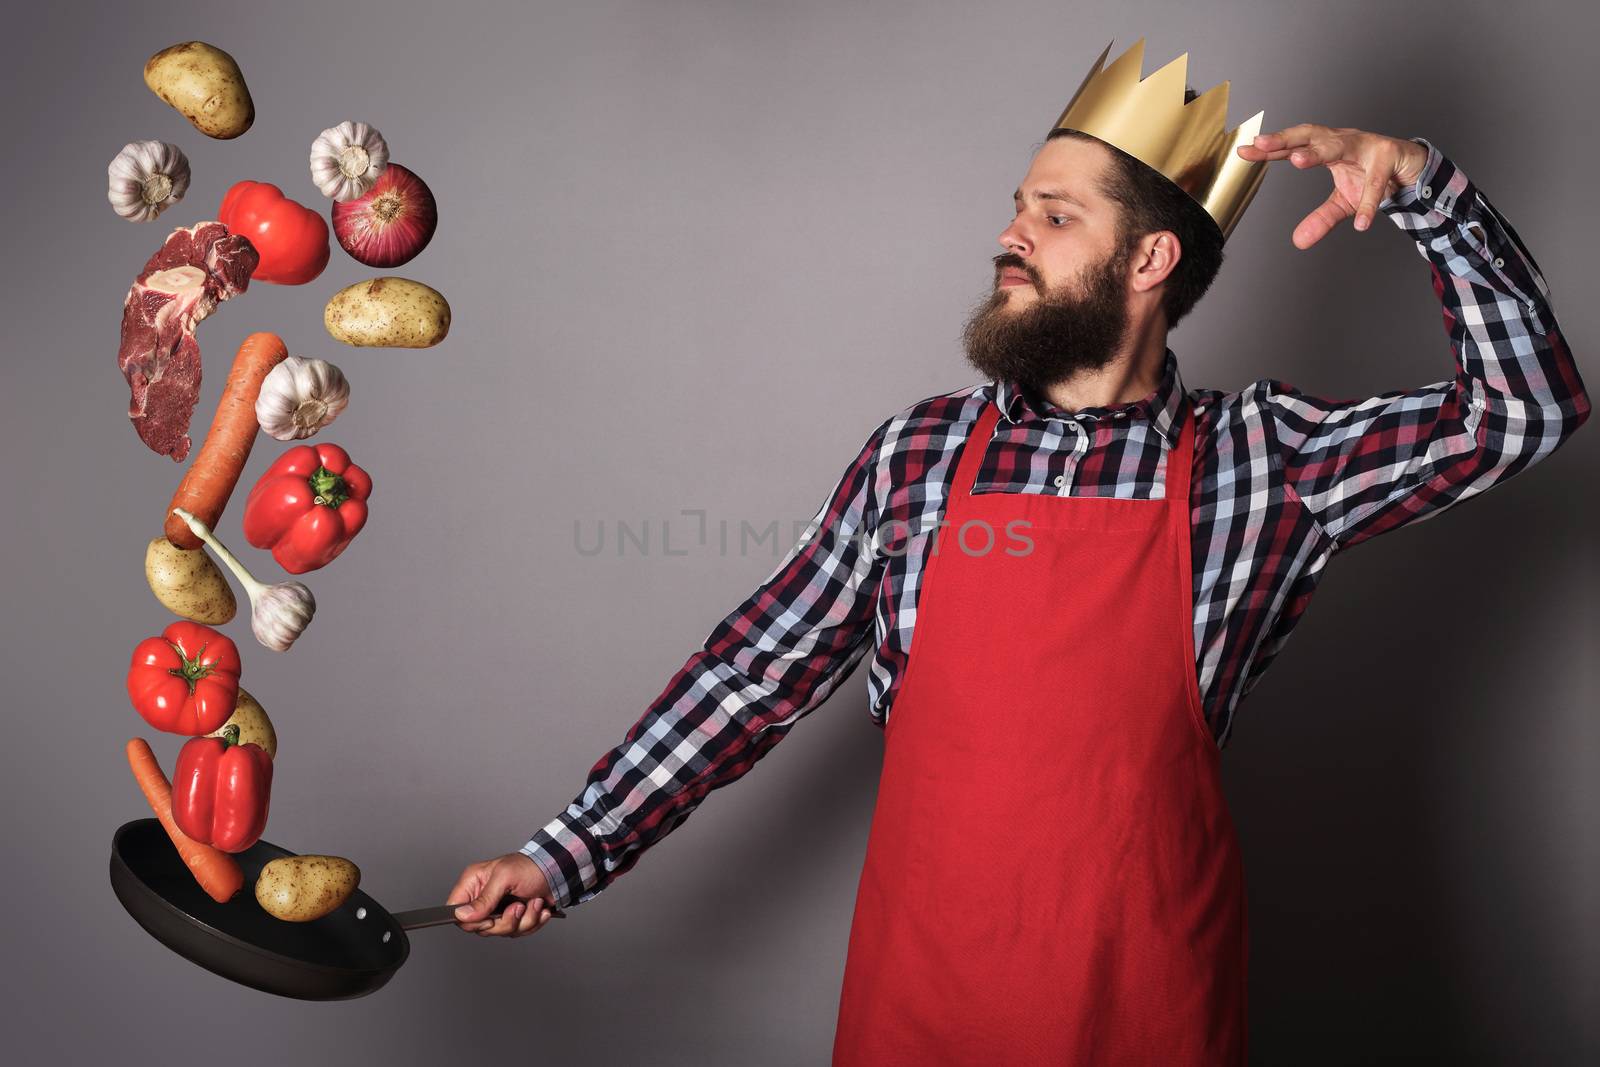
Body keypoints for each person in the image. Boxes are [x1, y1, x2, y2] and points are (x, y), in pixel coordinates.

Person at [446, 38, 1587, 1065]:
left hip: (1142, 1005)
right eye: (1016, 206)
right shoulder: (921, 456)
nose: (1008, 234)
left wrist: (1430, 196)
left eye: (1052, 214)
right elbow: (757, 669)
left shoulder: (1263, 461)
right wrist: (567, 851)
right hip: (921, 1000)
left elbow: (1523, 411)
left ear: (1146, 261)